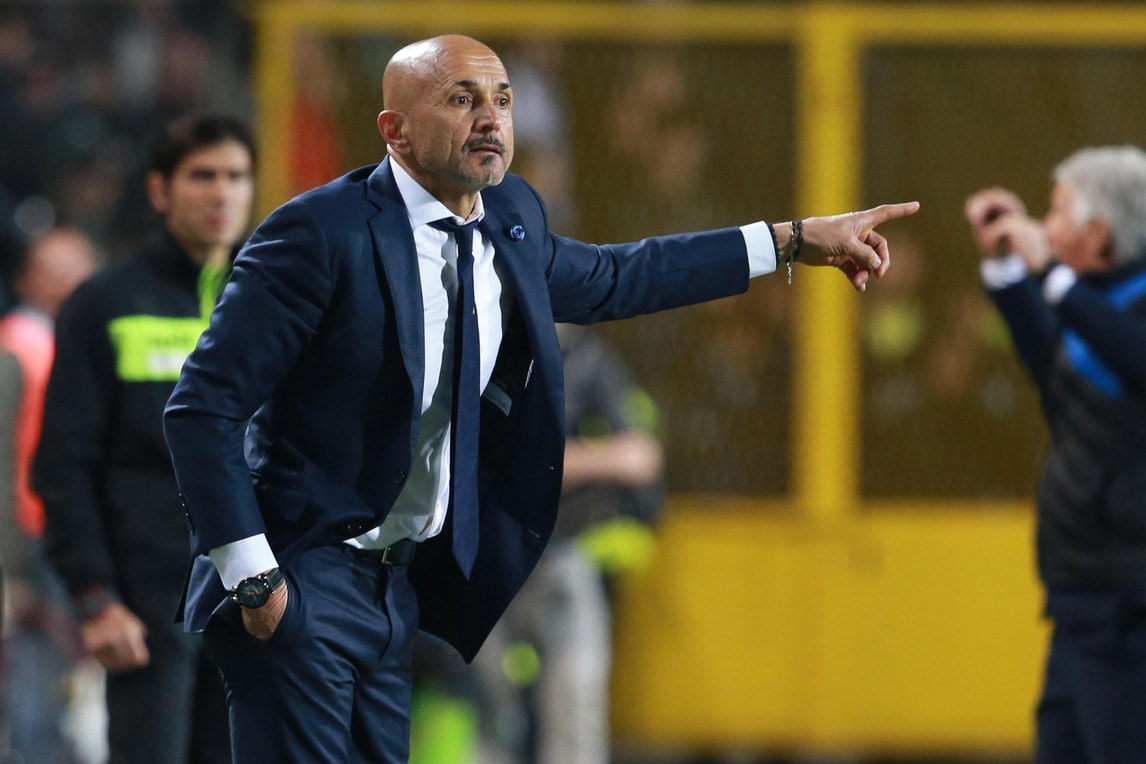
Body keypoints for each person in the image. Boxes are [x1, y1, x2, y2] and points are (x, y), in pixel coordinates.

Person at [162, 34, 918, 764]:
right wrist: (255, 580)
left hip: (396, 586)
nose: (490, 119)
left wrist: (790, 240)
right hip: (303, 572)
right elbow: (202, 407)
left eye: (502, 99)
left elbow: (623, 276)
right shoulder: (317, 232)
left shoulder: (510, 220)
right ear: (395, 131)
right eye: (461, 99)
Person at [32, 114, 254, 764]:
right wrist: (95, 597)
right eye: (202, 176)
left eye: (236, 176)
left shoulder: (272, 303)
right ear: (160, 190)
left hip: (255, 598)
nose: (222, 193)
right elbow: (63, 466)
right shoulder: (104, 304)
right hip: (147, 605)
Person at [965, 145, 1146, 764]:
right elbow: (1055, 366)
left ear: (1099, 233)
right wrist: (1008, 269)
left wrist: (1051, 275)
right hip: (1079, 600)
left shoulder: (1120, 310)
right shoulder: (1095, 305)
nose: (1043, 227)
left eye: (1058, 212)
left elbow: (1131, 358)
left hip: (1129, 607)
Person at [0, 225, 101, 764]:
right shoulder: (17, 344)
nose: (71, 281)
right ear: (28, 279)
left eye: (80, 269)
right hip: (33, 536)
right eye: (57, 270)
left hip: (72, 529)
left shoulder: (75, 340)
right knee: (39, 672)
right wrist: (9, 564)